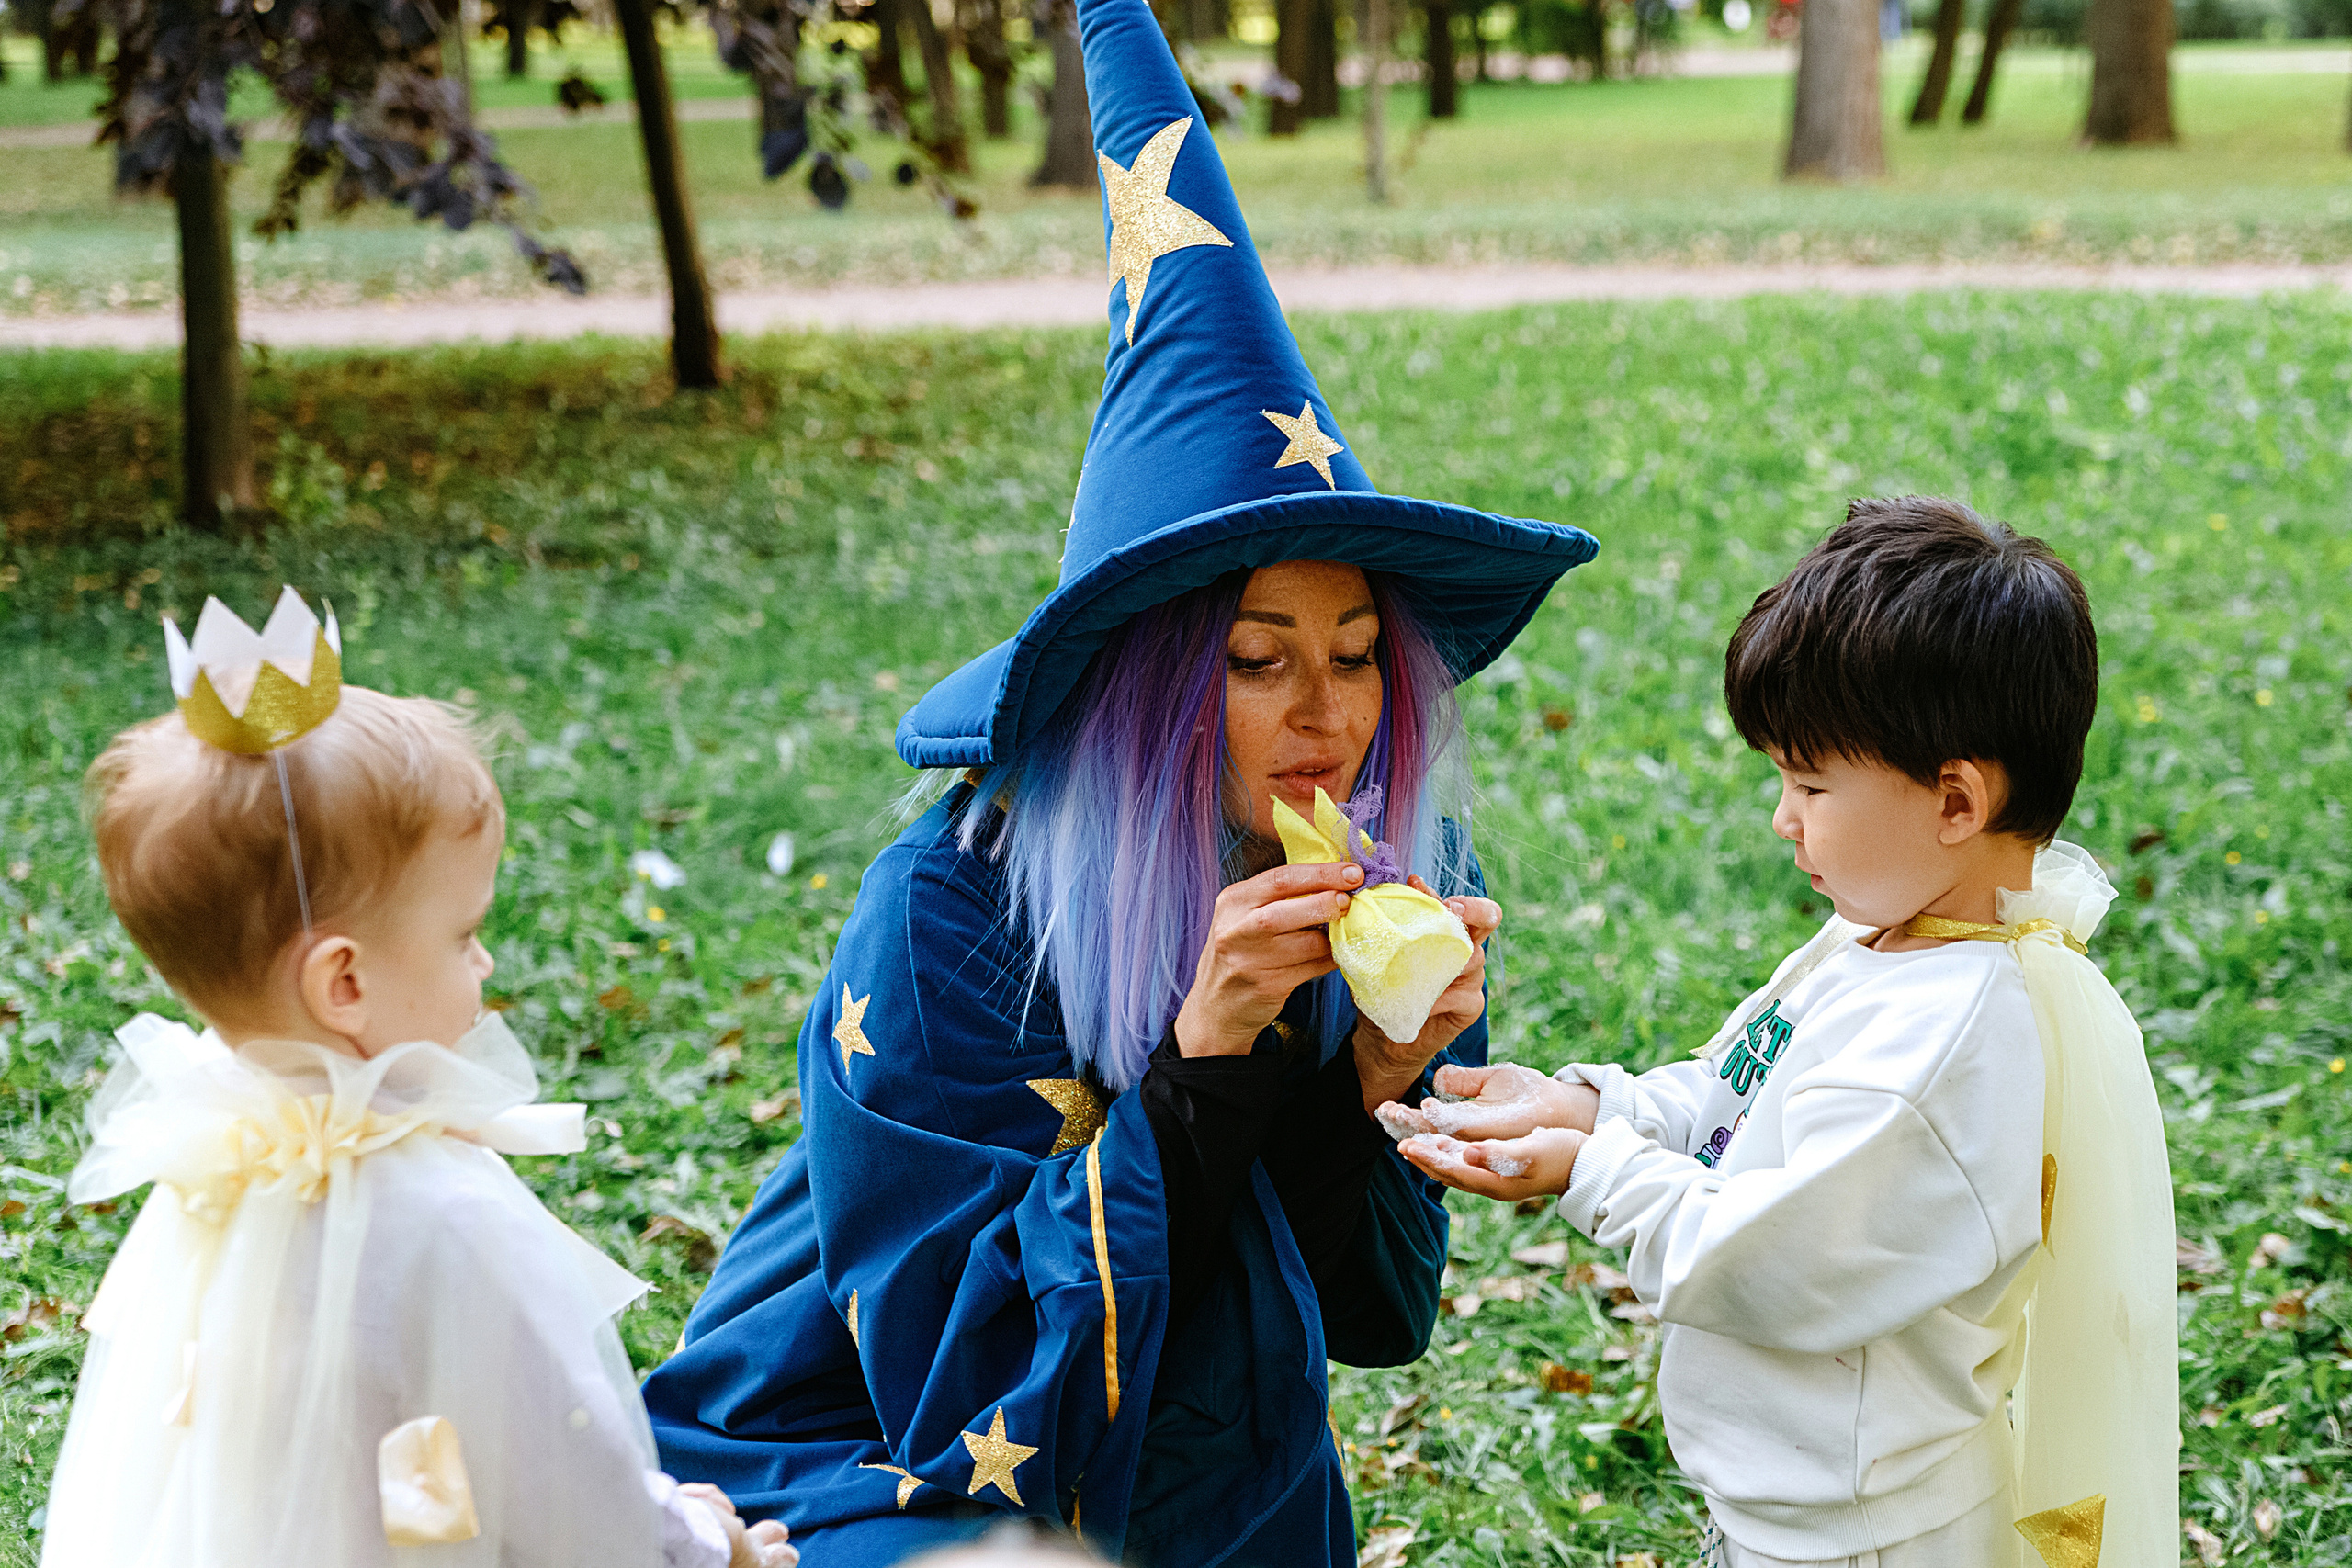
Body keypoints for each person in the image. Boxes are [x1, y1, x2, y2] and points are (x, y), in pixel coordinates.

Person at [635, 0, 1599, 1557]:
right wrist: (1200, 1065)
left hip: (1215, 1469)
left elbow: (1376, 1315)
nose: (1326, 715)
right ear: (1152, 686)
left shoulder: (1395, 865)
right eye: (1255, 656)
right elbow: (957, 1395)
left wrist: (1375, 1097)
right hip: (861, 1447)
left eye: (1356, 653)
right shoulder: (951, 909)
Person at [1391, 501, 2178, 1568]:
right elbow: (1736, 1095)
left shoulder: (1940, 1044)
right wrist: (1600, 1105)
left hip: (1864, 1536)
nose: (1783, 817)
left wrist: (1590, 1167)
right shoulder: (1877, 940)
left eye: (1810, 783)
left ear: (1954, 800)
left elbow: (1756, 1257)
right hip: (1793, 1509)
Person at [43, 590, 794, 1568]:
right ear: (343, 981)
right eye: (463, 934)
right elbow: (560, 1461)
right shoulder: (442, 1214)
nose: (482, 965)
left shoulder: (219, 1160)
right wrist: (697, 1539)